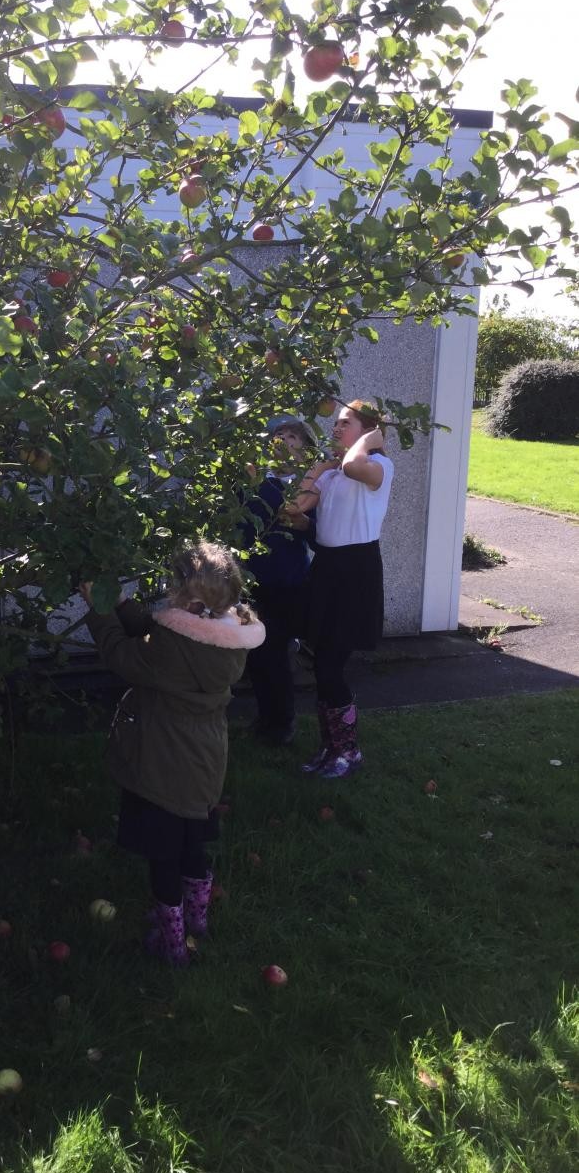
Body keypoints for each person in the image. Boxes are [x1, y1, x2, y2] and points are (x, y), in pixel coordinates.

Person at [79, 542, 264, 967]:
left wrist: (99, 610)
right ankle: (196, 916)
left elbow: (123, 656)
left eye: (172, 589)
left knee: (163, 856)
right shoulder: (224, 638)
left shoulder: (173, 649)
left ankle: (170, 939)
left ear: (193, 603)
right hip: (203, 763)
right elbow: (159, 628)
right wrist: (121, 603)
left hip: (162, 764)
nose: (166, 594)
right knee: (192, 845)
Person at [289, 400, 394, 779]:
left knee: (331, 664)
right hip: (328, 570)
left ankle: (348, 751)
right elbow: (293, 507)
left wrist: (366, 443)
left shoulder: (378, 466)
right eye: (335, 423)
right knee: (321, 663)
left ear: (367, 431)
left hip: (356, 573)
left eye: (344, 423)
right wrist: (321, 467)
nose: (335, 428)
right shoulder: (335, 475)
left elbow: (354, 464)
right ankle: (331, 747)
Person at [239, 414, 317, 747]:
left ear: (304, 448)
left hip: (288, 581)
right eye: (279, 434)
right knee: (256, 654)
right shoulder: (253, 481)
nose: (284, 441)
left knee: (276, 652)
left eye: (293, 437)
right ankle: (266, 717)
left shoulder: (309, 488)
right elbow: (243, 525)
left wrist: (304, 525)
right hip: (253, 578)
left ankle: (281, 723)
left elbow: (315, 532)